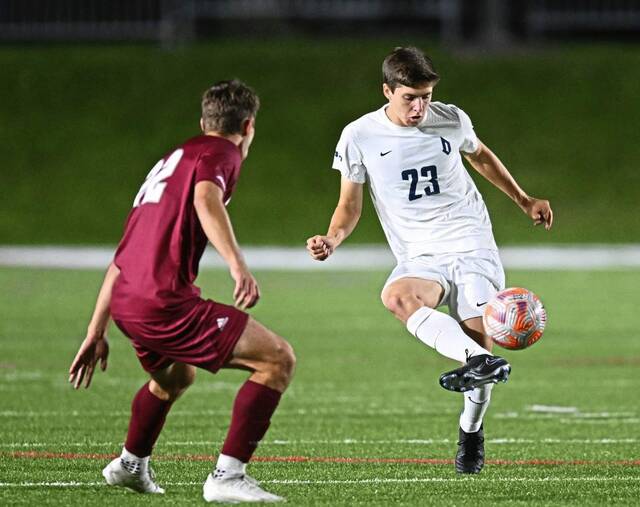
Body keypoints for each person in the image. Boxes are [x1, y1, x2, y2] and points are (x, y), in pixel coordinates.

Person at [307, 47, 553, 474]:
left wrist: (524, 199)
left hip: (472, 245)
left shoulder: (451, 119)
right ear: (387, 91)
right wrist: (332, 238)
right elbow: (349, 204)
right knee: (398, 297)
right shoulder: (359, 135)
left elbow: (480, 156)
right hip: (420, 253)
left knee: (480, 350)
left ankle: (470, 431)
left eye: (426, 96)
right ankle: (477, 362)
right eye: (410, 98)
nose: (420, 106)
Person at [68, 79, 295, 503]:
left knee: (175, 375)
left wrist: (95, 330)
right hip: (162, 302)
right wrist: (237, 264)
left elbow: (123, 254)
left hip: (128, 301)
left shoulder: (173, 159)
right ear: (248, 127)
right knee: (277, 359)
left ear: (203, 121)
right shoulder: (221, 153)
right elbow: (206, 199)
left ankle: (130, 464)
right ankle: (227, 477)